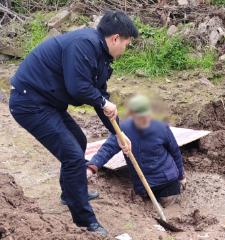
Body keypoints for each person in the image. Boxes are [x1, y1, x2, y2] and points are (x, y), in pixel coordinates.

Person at [9, 11, 137, 236]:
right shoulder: (84, 44)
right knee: (72, 154)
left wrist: (119, 133)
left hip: (48, 102)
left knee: (79, 141)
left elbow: (100, 98)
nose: (125, 50)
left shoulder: (101, 57)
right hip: (29, 101)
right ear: (116, 38)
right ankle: (85, 221)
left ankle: (70, 193)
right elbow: (78, 87)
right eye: (127, 43)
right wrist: (102, 101)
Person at [87, 95, 187, 207]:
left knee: (169, 203)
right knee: (145, 205)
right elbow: (107, 150)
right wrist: (91, 167)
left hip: (167, 180)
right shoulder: (122, 130)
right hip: (144, 185)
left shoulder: (161, 127)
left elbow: (175, 152)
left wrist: (181, 177)